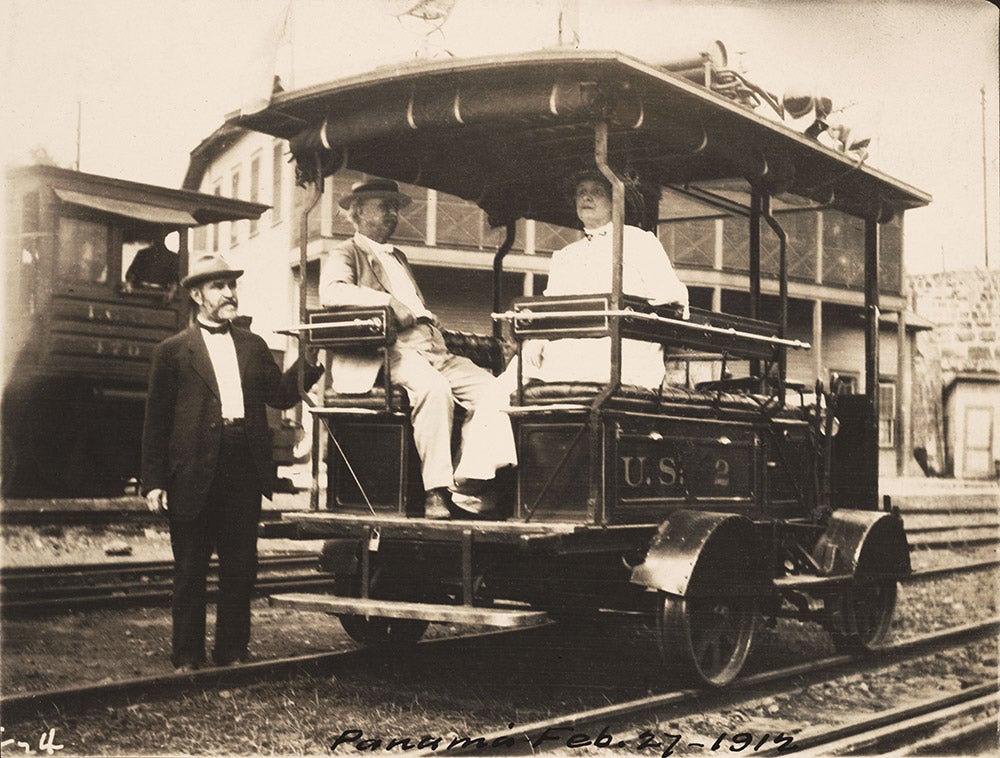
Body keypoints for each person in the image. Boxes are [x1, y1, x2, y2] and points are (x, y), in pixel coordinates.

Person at [453, 170, 689, 503]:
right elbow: (551, 310)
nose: (586, 198)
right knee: (501, 387)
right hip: (565, 347)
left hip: (622, 346)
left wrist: (632, 310)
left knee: (550, 372)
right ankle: (482, 477)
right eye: (581, 192)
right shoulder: (565, 256)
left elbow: (672, 297)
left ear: (615, 201)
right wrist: (534, 342)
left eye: (596, 191)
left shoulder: (639, 242)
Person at [141, 253, 323, 672]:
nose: (229, 294)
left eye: (232, 285)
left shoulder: (253, 345)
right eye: (219, 286)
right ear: (196, 295)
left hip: (242, 467)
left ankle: (232, 654)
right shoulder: (171, 352)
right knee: (190, 570)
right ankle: (186, 658)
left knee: (240, 568)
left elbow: (278, 395)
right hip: (191, 472)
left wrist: (311, 356)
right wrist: (154, 481)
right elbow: (156, 421)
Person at [318, 178, 515, 518]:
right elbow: (332, 293)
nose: (393, 214)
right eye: (384, 207)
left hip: (433, 348)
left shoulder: (399, 256)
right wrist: (388, 301)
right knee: (433, 389)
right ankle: (434, 492)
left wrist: (427, 319)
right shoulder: (346, 251)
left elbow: (413, 307)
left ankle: (469, 486)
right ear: (359, 211)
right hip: (389, 350)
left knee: (494, 391)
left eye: (395, 208)